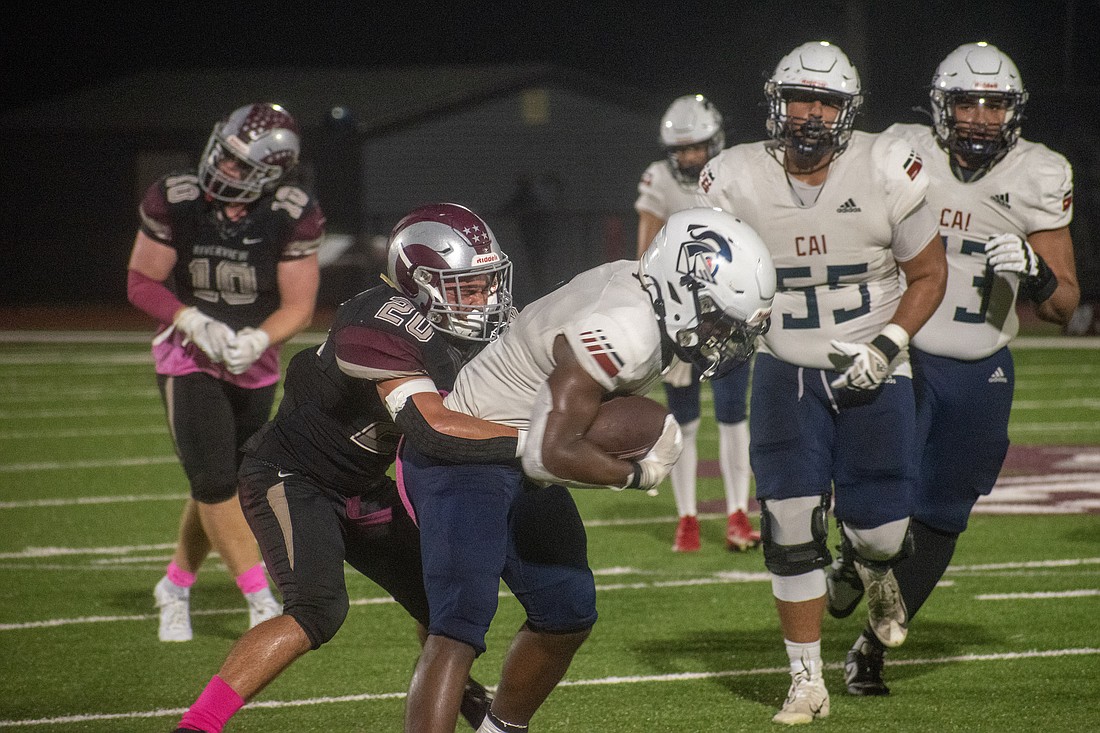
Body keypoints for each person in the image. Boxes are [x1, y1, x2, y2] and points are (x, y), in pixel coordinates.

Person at [400, 207, 775, 733]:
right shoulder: (625, 326)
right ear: (681, 287)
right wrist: (636, 476)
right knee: (458, 628)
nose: (719, 334)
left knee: (567, 613)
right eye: (716, 317)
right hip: (468, 454)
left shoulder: (647, 299)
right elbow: (548, 454)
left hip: (518, 453)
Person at [173, 203, 520, 732]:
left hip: (360, 486)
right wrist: (533, 441)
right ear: (418, 284)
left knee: (448, 606)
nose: (483, 299)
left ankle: (464, 701)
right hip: (291, 477)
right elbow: (431, 424)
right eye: (465, 287)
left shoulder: (463, 331)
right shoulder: (379, 320)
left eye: (485, 284)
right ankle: (198, 724)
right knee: (316, 609)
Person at [698, 41, 948, 724]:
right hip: (787, 370)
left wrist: (890, 343)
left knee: (881, 531)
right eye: (800, 97)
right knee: (785, 523)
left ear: (848, 110)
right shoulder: (733, 178)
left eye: (827, 101)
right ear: (775, 101)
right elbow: (707, 280)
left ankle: (868, 566)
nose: (811, 113)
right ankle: (805, 679)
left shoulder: (887, 166)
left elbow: (928, 275)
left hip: (875, 367)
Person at [829, 41, 1079, 697]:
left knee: (942, 515)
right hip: (904, 349)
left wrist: (1037, 271)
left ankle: (871, 647)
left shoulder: (1040, 173)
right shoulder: (897, 150)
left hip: (980, 365)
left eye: (993, 105)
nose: (978, 117)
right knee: (882, 483)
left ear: (1013, 113)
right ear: (941, 107)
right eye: (966, 101)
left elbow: (1064, 305)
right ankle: (852, 546)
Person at [127, 102, 323, 643]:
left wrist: (261, 338)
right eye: (226, 153)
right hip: (187, 354)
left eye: (241, 164)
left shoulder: (291, 211)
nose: (224, 167)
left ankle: (175, 583)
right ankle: (260, 599)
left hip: (252, 360)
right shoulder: (176, 197)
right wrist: (190, 320)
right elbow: (142, 282)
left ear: (270, 173)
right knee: (214, 482)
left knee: (220, 481)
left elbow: (299, 305)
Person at [635, 93, 760, 552]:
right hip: (681, 317)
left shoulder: (736, 172)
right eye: (681, 149)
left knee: (733, 417)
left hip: (728, 314)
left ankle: (737, 515)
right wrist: (666, 314)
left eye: (696, 147)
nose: (688, 157)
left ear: (715, 141)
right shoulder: (660, 180)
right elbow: (644, 255)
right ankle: (686, 519)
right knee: (682, 421)